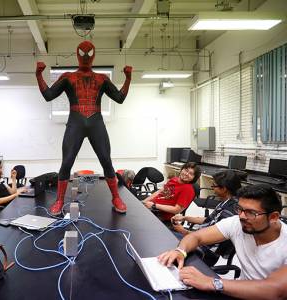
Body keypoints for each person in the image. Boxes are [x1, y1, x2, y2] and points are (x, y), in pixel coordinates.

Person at [36, 40, 132, 215]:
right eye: (82, 53)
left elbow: (119, 98)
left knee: (106, 161)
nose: (86, 57)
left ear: (94, 55)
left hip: (95, 122)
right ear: (76, 54)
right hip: (76, 122)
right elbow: (49, 95)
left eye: (89, 53)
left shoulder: (102, 78)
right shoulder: (67, 77)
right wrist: (38, 75)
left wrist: (128, 79)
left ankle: (116, 197)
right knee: (66, 163)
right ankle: (59, 201)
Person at [158, 184, 287, 298]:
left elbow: (276, 291)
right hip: (241, 292)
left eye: (251, 213)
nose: (241, 216)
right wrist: (181, 251)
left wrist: (212, 282)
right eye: (240, 209)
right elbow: (197, 237)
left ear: (273, 217)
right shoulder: (237, 223)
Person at [171, 170, 241, 236]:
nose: (212, 188)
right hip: (198, 237)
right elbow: (208, 220)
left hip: (202, 245)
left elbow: (208, 238)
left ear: (224, 189)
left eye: (214, 185)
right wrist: (184, 218)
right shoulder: (225, 202)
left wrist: (183, 231)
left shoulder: (228, 212)